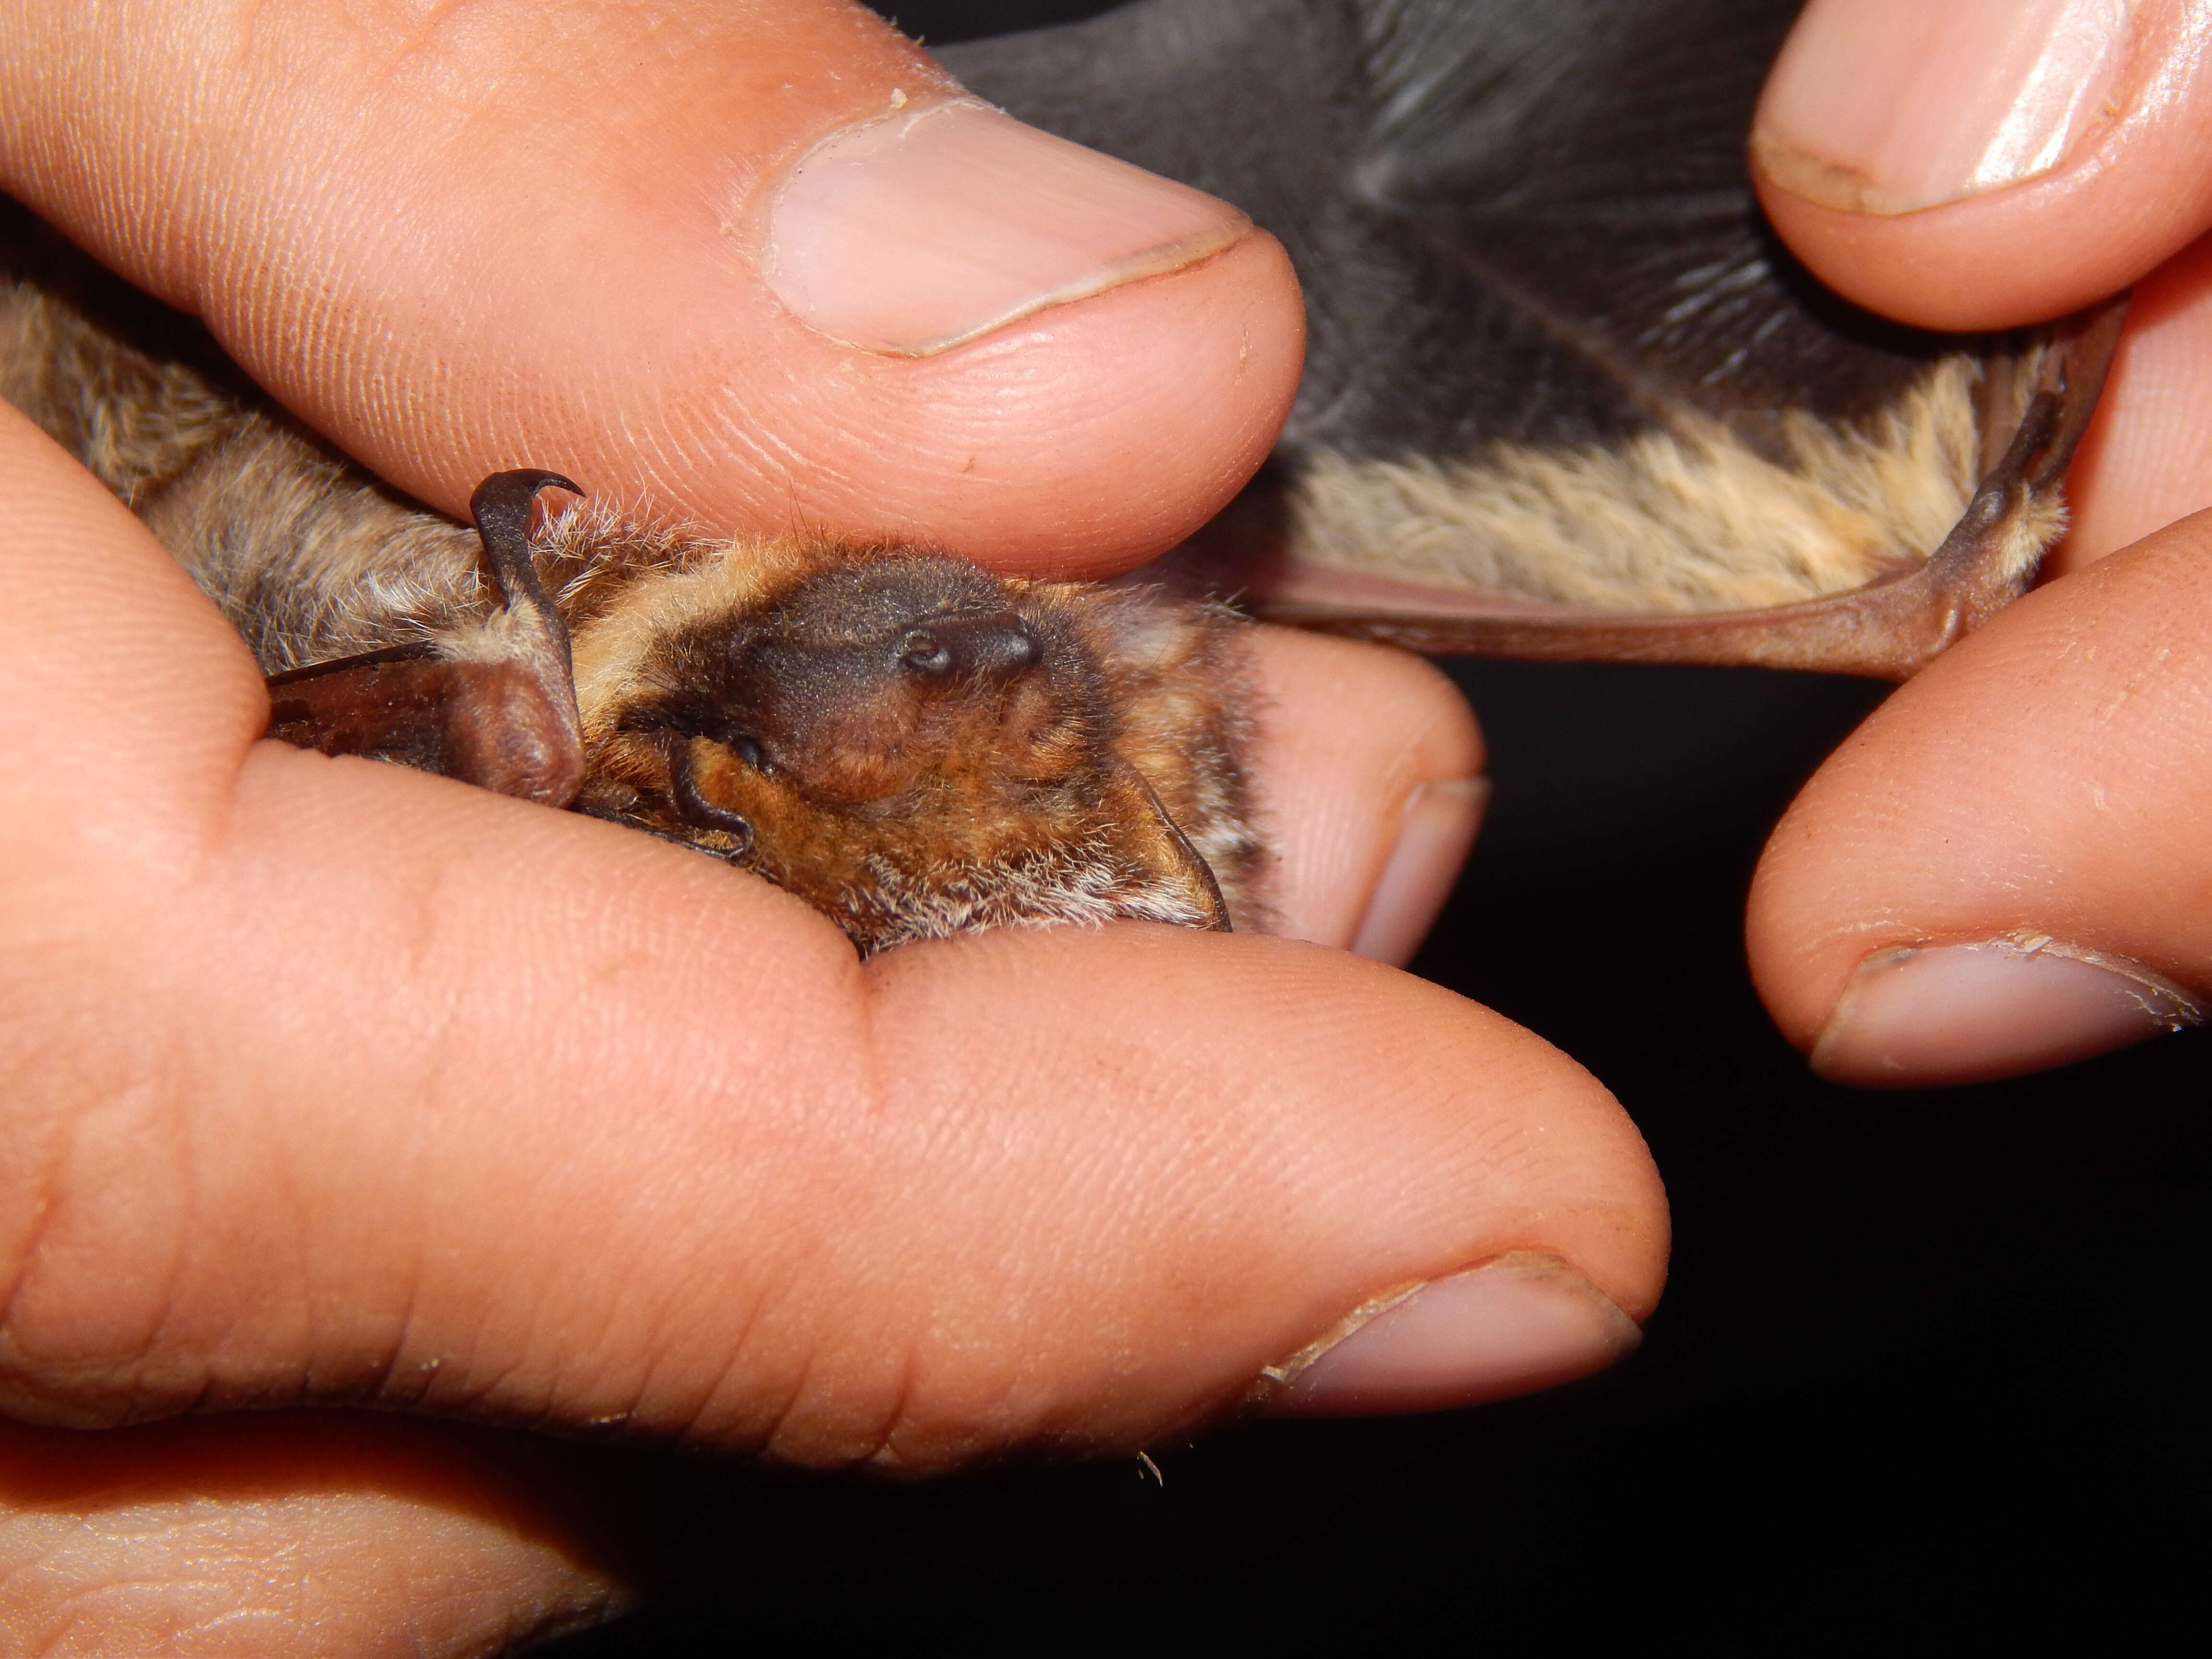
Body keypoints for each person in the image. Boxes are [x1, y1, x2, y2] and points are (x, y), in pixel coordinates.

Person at [0, 0, 2200, 1649]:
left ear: (714, 790)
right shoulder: (1120, 605)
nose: (964, 684)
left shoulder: (464, 729)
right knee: (1899, 564)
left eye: (890, 756)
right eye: (1036, 747)